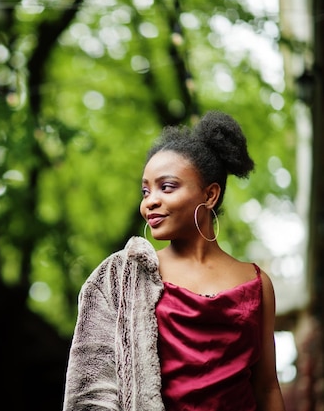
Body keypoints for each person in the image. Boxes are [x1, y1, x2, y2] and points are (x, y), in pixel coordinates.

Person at [62, 111, 286, 411]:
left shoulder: (258, 284)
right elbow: (91, 391)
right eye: (145, 190)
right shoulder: (125, 277)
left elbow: (267, 387)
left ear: (210, 195)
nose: (149, 201)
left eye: (166, 187)